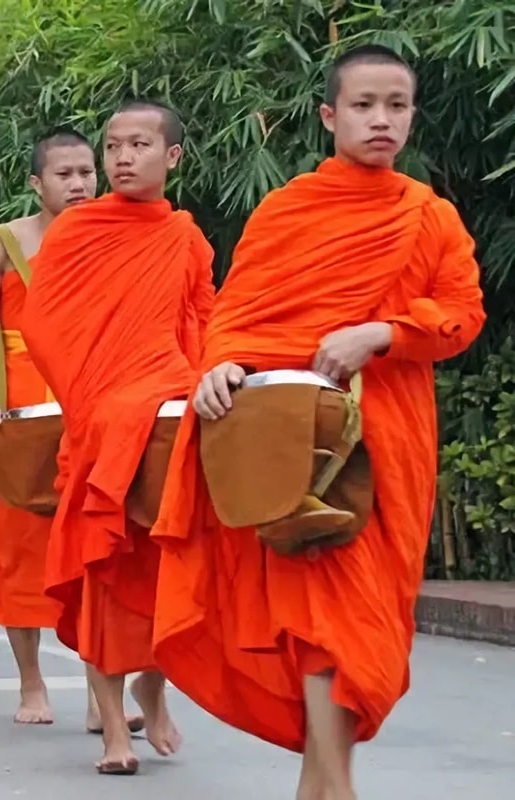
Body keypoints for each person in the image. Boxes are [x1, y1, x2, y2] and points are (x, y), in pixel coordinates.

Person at [150, 46, 486, 800]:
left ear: (412, 115)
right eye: (364, 105)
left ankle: (321, 782)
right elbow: (237, 314)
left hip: (386, 441)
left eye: (396, 105)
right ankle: (332, 788)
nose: (381, 120)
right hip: (288, 444)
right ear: (330, 116)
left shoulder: (430, 217)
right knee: (315, 615)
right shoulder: (287, 209)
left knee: (358, 618)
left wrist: (386, 333)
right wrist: (219, 366)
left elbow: (463, 316)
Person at [22, 101, 214, 774]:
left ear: (173, 157)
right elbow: (43, 325)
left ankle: (154, 693)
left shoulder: (185, 236)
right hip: (98, 420)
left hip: (164, 420)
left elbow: (203, 320)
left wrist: (196, 382)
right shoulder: (77, 233)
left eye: (139, 144)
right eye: (114, 146)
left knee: (162, 573)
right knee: (101, 572)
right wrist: (91, 392)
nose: (123, 157)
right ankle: (113, 733)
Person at [0, 126, 134, 729]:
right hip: (25, 415)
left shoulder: (119, 234)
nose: (80, 184)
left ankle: (100, 694)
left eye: (87, 171)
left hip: (98, 407)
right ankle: (32, 683)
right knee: (21, 551)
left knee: (97, 548)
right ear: (37, 183)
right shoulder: (2, 244)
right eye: (64, 175)